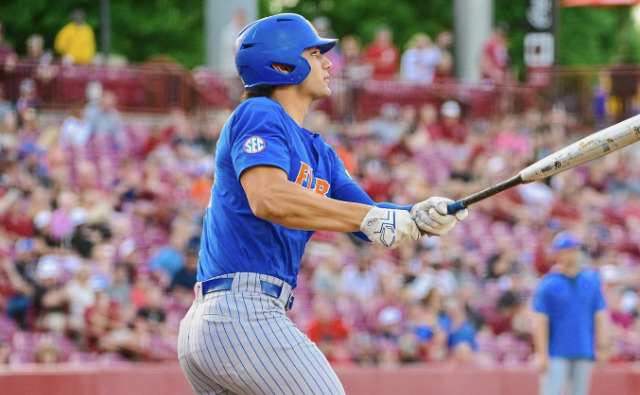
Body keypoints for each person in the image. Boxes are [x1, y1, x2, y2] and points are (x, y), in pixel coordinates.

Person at [177, 13, 468, 395]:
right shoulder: (259, 112)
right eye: (315, 53)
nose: (329, 63)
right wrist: (371, 217)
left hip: (226, 317)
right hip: (241, 311)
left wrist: (419, 215)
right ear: (282, 64)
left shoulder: (320, 153)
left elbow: (367, 223)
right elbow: (269, 197)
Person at [532, 231, 609, 395]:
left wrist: (603, 345)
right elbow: (540, 320)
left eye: (575, 250)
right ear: (558, 255)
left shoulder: (591, 280)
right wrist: (541, 352)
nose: (572, 255)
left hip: (583, 347)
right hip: (557, 350)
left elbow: (600, 314)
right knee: (551, 391)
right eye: (567, 251)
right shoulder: (548, 284)